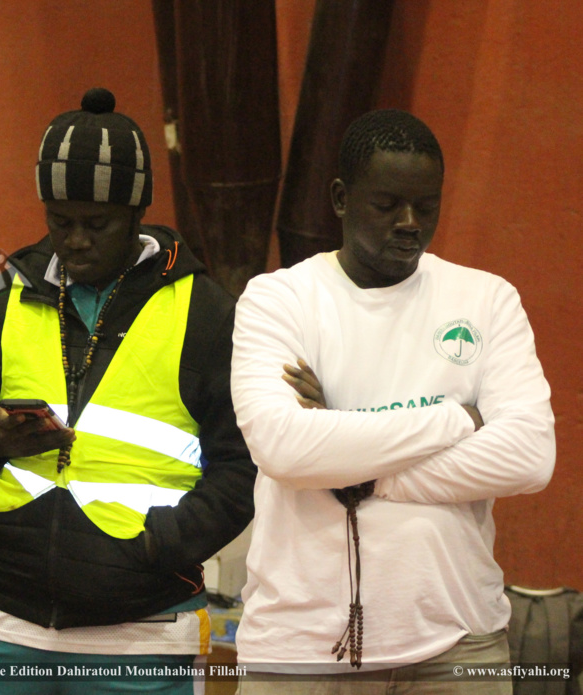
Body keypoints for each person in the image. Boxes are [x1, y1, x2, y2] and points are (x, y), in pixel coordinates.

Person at [0, 87, 256, 694]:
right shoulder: (0, 298)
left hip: (141, 632)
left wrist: (162, 545)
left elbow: (242, 465)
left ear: (136, 214)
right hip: (2, 622)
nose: (73, 240)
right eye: (59, 221)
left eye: (95, 224)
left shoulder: (205, 313)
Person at [230, 109, 556, 693]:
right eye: (386, 205)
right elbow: (284, 449)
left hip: (460, 643)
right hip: (299, 647)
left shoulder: (487, 300)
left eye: (425, 206)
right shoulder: (278, 299)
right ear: (340, 198)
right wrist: (458, 419)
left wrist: (352, 461)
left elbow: (528, 458)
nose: (409, 223)